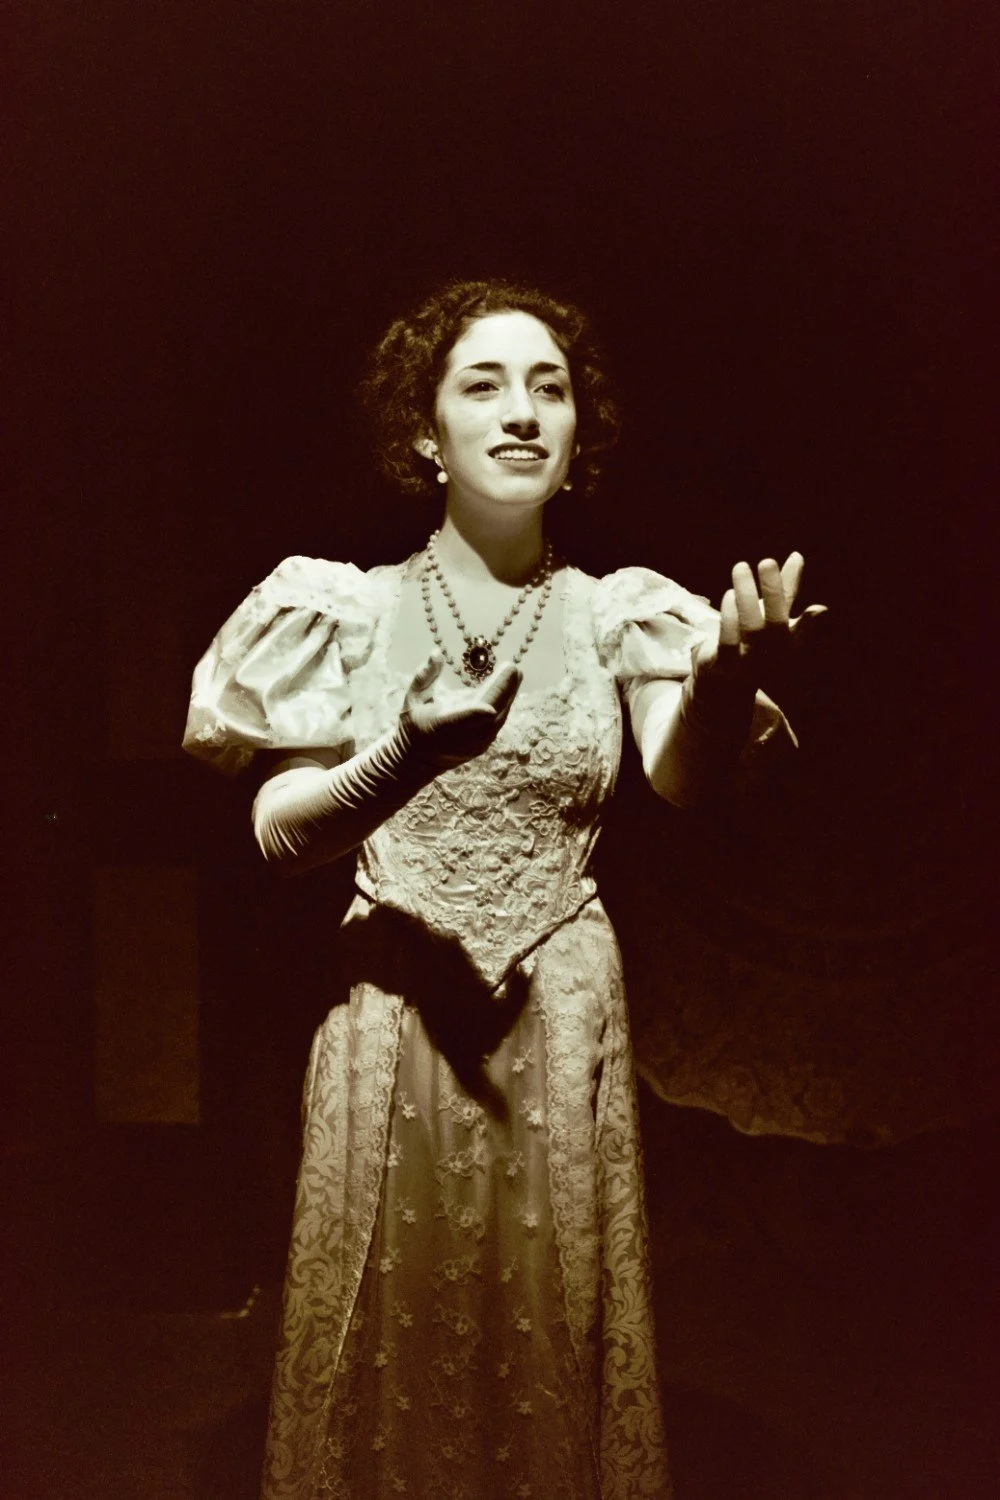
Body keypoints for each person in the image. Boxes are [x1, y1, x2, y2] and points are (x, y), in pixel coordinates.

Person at [183, 279, 825, 1500]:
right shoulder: (343, 608)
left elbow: (683, 780)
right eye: (483, 385)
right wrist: (404, 755)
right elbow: (277, 837)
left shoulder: (615, 613)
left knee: (551, 1331)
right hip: (394, 1017)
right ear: (424, 432)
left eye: (551, 388)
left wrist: (730, 680)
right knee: (390, 1325)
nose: (522, 412)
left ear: (579, 434)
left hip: (558, 1012)